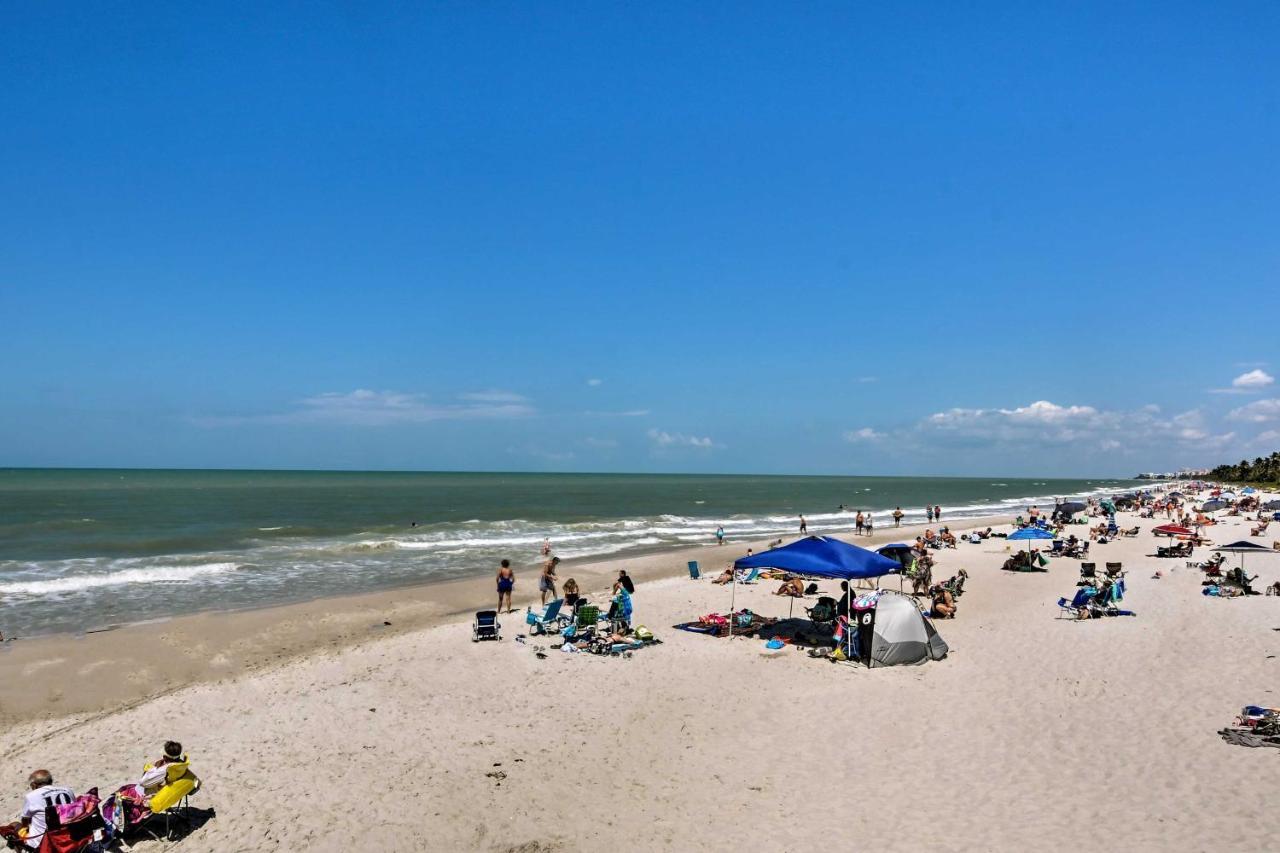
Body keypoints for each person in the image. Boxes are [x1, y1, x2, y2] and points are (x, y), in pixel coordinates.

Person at [7, 770, 74, 851]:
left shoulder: (31, 796)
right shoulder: (67, 790)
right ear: (51, 781)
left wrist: (26, 826)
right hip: (69, 834)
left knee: (14, 825)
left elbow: (25, 821)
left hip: (44, 840)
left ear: (34, 785)